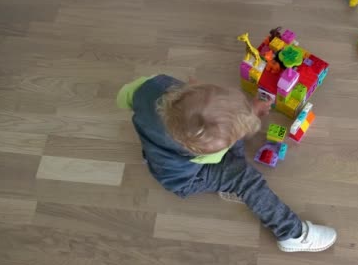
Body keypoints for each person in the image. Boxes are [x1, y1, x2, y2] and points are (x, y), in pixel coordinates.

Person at [117, 74, 336, 252]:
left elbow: (123, 97)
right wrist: (248, 120)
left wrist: (245, 113)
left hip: (158, 150)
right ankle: (292, 234)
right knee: (245, 179)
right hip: (186, 179)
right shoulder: (206, 154)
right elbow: (220, 152)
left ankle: (228, 160)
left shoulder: (151, 86)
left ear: (193, 84)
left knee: (229, 140)